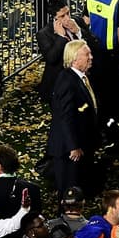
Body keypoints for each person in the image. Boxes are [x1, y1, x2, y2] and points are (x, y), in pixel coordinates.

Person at [48, 40, 101, 195]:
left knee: (78, 185)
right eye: (87, 54)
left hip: (80, 143)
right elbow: (65, 116)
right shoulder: (67, 81)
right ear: (74, 59)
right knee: (68, 190)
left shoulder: (81, 77)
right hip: (67, 150)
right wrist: (73, 146)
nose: (91, 57)